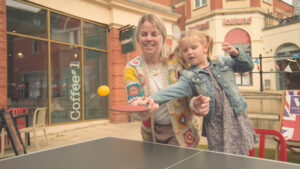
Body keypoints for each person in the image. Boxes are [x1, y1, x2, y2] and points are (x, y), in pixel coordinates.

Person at [142, 29, 256, 155]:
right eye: (185, 50)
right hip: (216, 125)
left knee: (242, 156)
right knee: (220, 159)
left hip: (237, 118)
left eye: (193, 47)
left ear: (205, 47)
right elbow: (172, 90)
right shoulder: (189, 76)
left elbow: (248, 66)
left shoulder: (224, 62)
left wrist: (236, 54)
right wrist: (152, 98)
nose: (189, 52)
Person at [124, 14, 208, 147]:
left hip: (183, 132)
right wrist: (143, 108)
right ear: (138, 38)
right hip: (151, 134)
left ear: (163, 36)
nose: (149, 38)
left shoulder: (176, 60)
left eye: (154, 34)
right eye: (144, 34)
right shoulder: (132, 67)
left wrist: (196, 105)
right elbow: (134, 103)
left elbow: (191, 94)